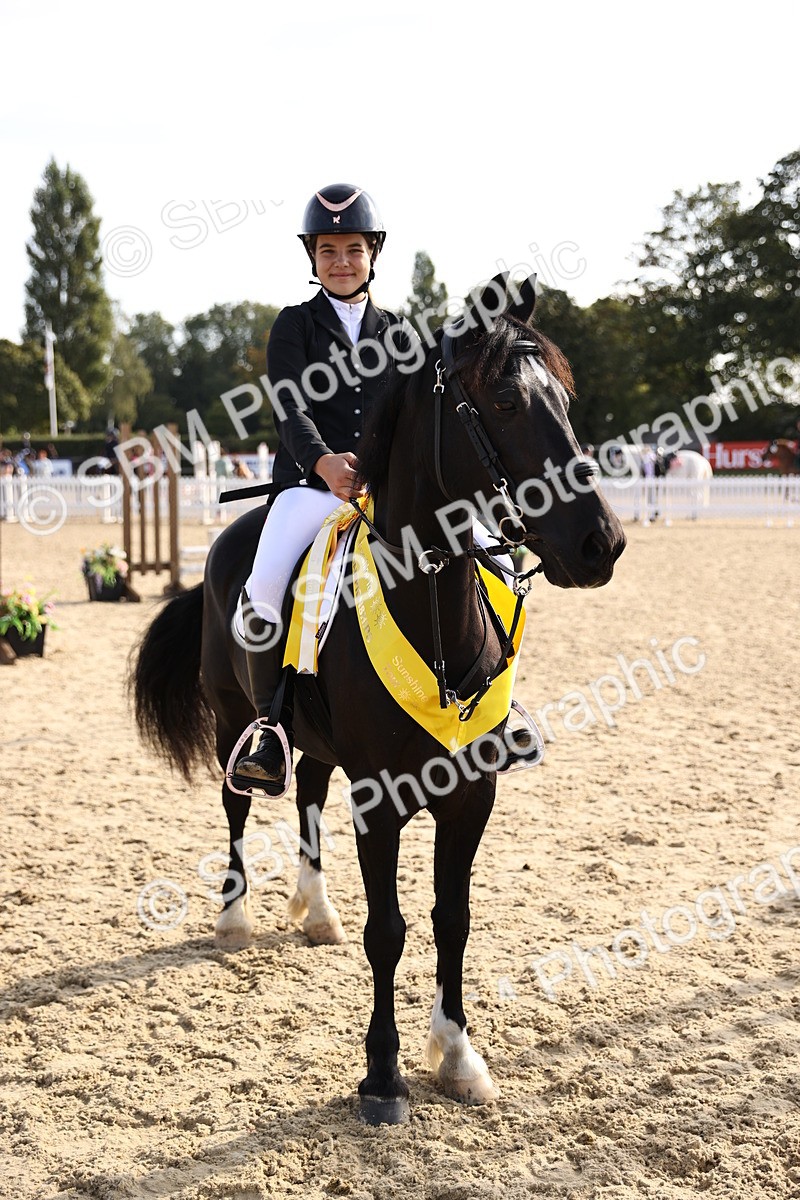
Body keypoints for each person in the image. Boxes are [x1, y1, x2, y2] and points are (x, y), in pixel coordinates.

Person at [231, 183, 415, 793]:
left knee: (483, 545)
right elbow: (290, 408)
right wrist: (323, 463)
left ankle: (495, 706)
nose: (341, 260)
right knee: (263, 585)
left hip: (384, 489)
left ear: (373, 255)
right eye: (329, 248)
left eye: (353, 248)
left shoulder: (399, 332)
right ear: (313, 256)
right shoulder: (294, 326)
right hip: (312, 490)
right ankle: (270, 727)